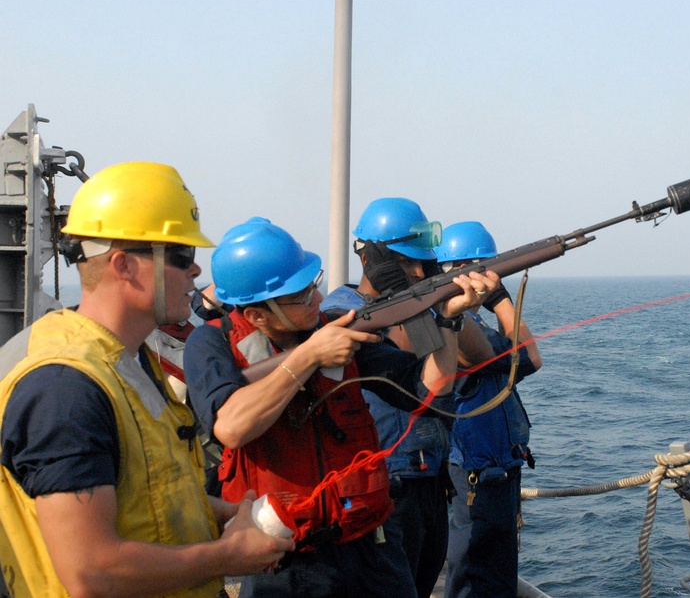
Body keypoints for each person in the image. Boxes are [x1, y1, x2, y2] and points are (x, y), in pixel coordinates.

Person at [0, 161, 293, 598]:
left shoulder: (130, 360)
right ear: (124, 265)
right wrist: (227, 556)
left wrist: (221, 513)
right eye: (181, 256)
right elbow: (92, 572)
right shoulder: (65, 389)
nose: (196, 272)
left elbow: (145, 488)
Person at [183, 216, 498, 598]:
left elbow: (430, 393)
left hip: (372, 546)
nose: (317, 300)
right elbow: (231, 427)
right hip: (287, 560)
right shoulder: (209, 344)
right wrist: (310, 355)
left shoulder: (334, 327)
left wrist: (448, 318)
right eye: (300, 296)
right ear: (256, 315)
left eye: (311, 287)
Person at [321, 198, 498, 598]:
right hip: (385, 484)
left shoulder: (420, 303)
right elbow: (409, 363)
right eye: (406, 262)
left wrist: (445, 302)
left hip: (429, 480)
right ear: (372, 259)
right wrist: (414, 300)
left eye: (426, 263)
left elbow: (483, 357)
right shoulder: (340, 313)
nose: (418, 271)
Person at [436, 222, 543, 598]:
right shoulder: (459, 327)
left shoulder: (469, 323)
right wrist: (500, 299)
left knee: (491, 575)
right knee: (478, 577)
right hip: (475, 470)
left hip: (493, 466)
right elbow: (530, 357)